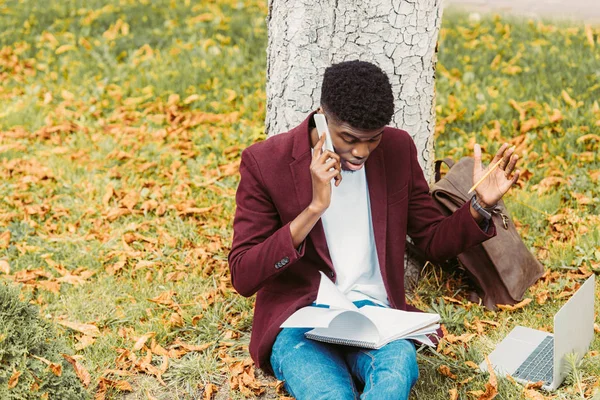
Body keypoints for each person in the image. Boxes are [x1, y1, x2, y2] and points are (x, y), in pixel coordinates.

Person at [228, 60, 519, 399]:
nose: (362, 151)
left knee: (394, 378)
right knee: (328, 395)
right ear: (323, 116)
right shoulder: (266, 162)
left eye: (373, 139)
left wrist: (479, 206)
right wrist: (314, 209)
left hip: (379, 320)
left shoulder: (396, 149)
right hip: (301, 321)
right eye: (349, 138)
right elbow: (244, 275)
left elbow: (432, 240)